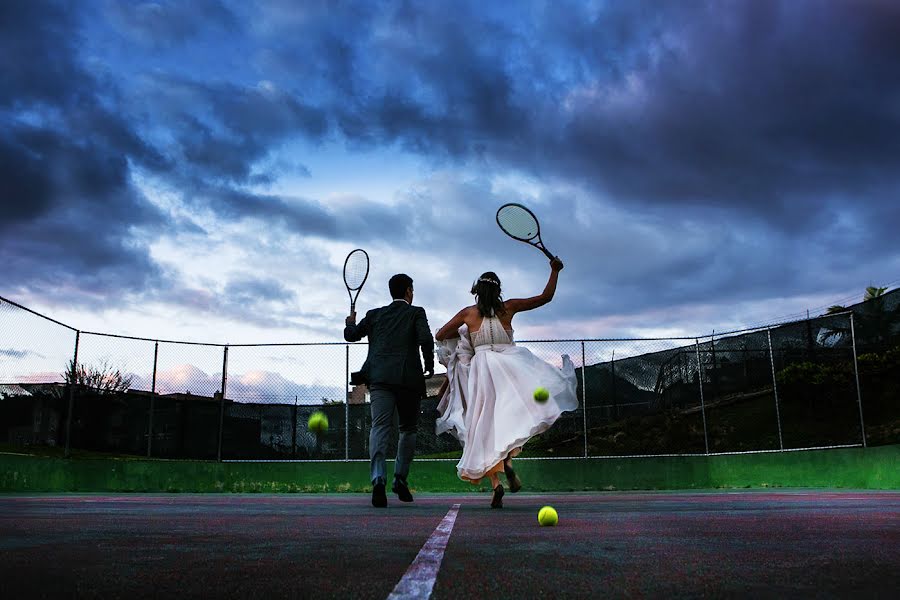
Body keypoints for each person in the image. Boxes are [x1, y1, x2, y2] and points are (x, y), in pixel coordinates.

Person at [434, 257, 578, 508]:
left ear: (477, 291)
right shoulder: (508, 308)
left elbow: (439, 334)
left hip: (481, 372)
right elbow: (545, 297)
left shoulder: (468, 313)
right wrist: (554, 271)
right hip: (511, 366)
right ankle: (508, 462)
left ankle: (496, 484)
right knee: (512, 420)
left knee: (482, 428)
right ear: (498, 290)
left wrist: (462, 337)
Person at [344, 273, 434, 507]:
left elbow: (351, 336)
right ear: (408, 292)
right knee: (408, 430)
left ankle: (378, 481)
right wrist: (429, 365)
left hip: (380, 379)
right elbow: (425, 338)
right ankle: (400, 480)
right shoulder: (416, 312)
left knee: (379, 427)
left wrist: (350, 322)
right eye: (412, 290)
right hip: (408, 380)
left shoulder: (374, 315)